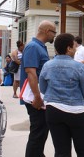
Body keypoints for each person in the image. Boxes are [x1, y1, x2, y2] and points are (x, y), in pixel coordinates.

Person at [39, 33, 84, 157]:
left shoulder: (47, 65)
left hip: (53, 111)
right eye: (74, 47)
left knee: (61, 152)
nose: (75, 49)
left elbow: (42, 88)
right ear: (68, 49)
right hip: (77, 111)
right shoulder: (79, 67)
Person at [20, 20, 56, 157]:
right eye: (54, 32)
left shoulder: (40, 47)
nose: (54, 35)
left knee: (41, 133)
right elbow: (31, 72)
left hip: (40, 97)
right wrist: (37, 97)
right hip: (36, 98)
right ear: (47, 31)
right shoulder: (33, 47)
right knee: (38, 133)